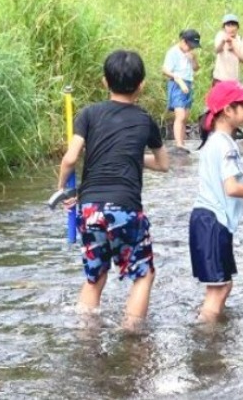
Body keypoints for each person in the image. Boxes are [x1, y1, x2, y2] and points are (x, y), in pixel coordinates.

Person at [58, 50, 170, 330]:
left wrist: (62, 190)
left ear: (104, 82)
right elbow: (162, 164)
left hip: (90, 208)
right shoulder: (145, 120)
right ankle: (131, 335)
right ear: (141, 85)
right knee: (143, 275)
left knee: (94, 277)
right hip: (126, 208)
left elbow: (70, 159)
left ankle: (86, 339)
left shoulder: (88, 114)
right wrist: (130, 156)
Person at [189, 80, 243, 321]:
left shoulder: (213, 141)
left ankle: (210, 334)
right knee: (218, 290)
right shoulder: (226, 145)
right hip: (213, 222)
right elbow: (232, 187)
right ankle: (207, 343)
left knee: (222, 286)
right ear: (228, 110)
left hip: (206, 219)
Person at [162, 29, 200, 153]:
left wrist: (192, 59)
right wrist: (177, 79)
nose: (191, 48)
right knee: (180, 115)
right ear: (183, 41)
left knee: (186, 117)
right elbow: (165, 70)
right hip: (177, 84)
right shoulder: (173, 52)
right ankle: (178, 144)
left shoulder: (191, 53)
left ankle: (182, 143)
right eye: (189, 46)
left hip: (188, 83)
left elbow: (196, 68)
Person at [212, 14, 243, 85]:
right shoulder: (220, 35)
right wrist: (223, 41)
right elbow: (217, 50)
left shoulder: (240, 40)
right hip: (220, 78)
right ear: (224, 27)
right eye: (228, 25)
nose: (231, 28)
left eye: (233, 25)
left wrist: (234, 49)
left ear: (237, 27)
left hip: (234, 79)